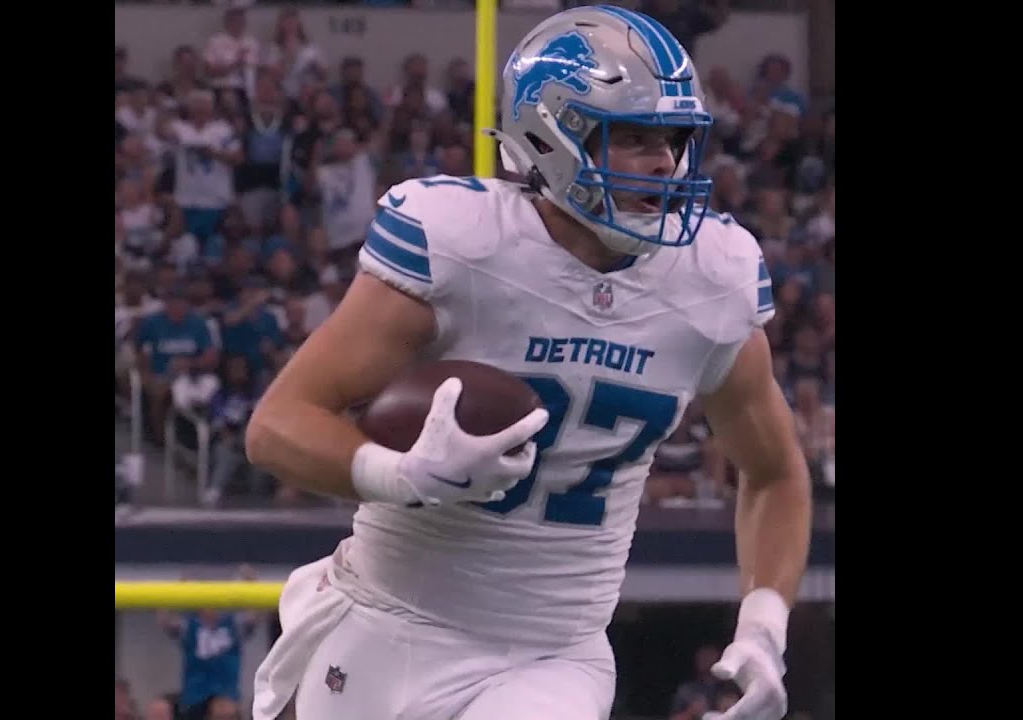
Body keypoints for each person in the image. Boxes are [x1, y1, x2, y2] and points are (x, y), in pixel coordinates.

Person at [245, 6, 811, 720]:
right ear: (549, 137)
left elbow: (774, 471)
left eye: (672, 138)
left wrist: (764, 626)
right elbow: (277, 426)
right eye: (631, 136)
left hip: (553, 653)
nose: (665, 161)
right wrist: (402, 475)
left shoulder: (713, 278)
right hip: (391, 622)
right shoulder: (464, 245)